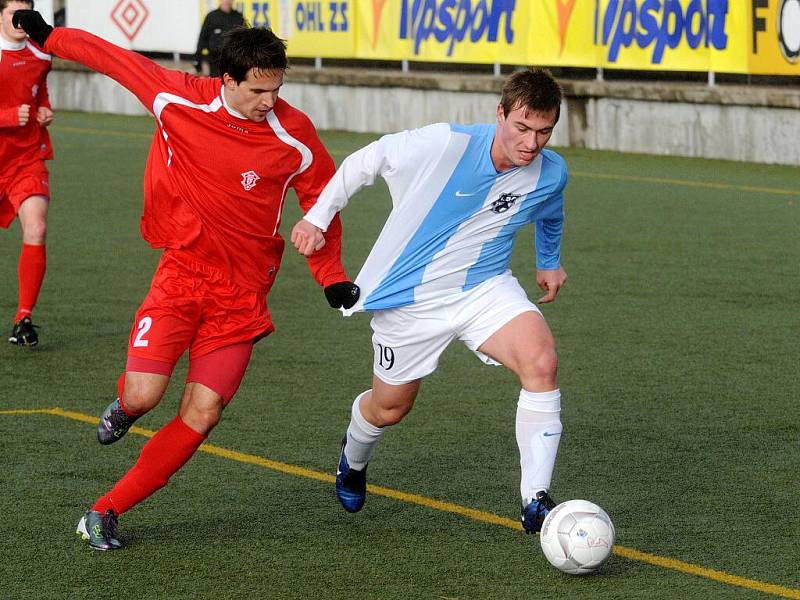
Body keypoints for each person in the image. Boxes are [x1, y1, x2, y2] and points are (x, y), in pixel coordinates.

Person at [14, 10, 359, 551]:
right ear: (227, 79)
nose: (270, 101)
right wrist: (50, 37)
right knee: (144, 394)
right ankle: (125, 407)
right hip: (182, 276)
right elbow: (113, 59)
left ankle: (104, 510)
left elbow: (323, 202)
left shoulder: (294, 134)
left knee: (205, 412)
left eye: (278, 88)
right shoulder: (178, 96)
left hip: (244, 295)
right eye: (259, 90)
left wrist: (331, 276)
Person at [291, 68, 568, 535]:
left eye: (543, 132)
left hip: (484, 288)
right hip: (409, 302)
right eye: (522, 128)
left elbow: (551, 211)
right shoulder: (446, 144)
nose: (531, 143)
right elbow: (367, 160)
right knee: (389, 408)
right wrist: (318, 218)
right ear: (500, 114)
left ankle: (534, 501)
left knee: (542, 363)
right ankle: (353, 458)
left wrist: (549, 260)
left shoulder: (550, 172)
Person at [1, 0, 54, 347]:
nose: (20, 21)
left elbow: (40, 95)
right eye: (12, 15)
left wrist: (45, 110)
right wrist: (7, 117)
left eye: (25, 14)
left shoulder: (42, 54)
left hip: (26, 160)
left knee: (36, 226)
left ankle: (24, 318)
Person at [194, 0, 245, 77]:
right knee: (216, 85)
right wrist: (197, 61)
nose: (227, 1)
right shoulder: (211, 17)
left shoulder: (239, 17)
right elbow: (202, 39)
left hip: (233, 62)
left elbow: (244, 40)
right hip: (215, 61)